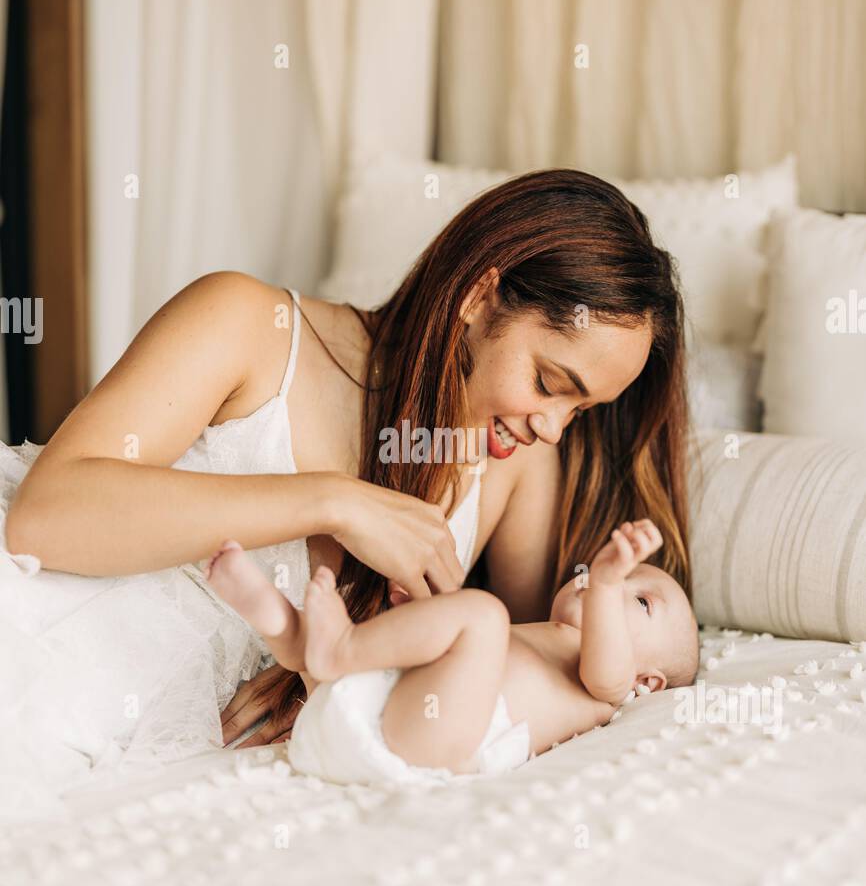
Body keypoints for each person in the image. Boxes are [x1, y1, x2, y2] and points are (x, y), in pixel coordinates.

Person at [1, 169, 693, 811]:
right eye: (549, 382)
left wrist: (340, 683)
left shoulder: (513, 458)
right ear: (479, 298)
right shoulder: (247, 324)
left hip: (144, 742)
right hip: (41, 633)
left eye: (582, 410)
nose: (552, 426)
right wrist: (333, 500)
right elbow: (45, 518)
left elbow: (523, 664)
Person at [203, 518, 701, 785]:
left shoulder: (610, 687)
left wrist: (610, 577)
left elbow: (605, 673)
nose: (604, 582)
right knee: (466, 622)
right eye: (610, 576)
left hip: (435, 748)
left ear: (648, 682)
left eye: (638, 598)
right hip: (367, 720)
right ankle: (280, 624)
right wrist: (421, 611)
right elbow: (456, 666)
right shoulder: (540, 634)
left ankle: (338, 648)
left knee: (483, 614)